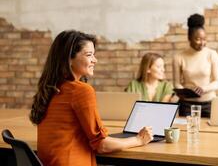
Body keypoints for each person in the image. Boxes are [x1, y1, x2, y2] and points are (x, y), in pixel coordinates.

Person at [29, 30, 153, 166]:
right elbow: (102, 145)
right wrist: (139, 140)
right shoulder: (80, 90)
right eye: (89, 55)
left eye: (94, 54)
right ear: (69, 59)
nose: (95, 60)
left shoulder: (51, 88)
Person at [173, 14, 218, 117]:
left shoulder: (212, 54)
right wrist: (185, 91)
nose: (202, 43)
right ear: (189, 38)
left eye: (205, 39)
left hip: (208, 104)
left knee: (209, 133)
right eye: (198, 39)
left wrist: (204, 89)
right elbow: (177, 83)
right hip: (186, 104)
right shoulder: (179, 57)